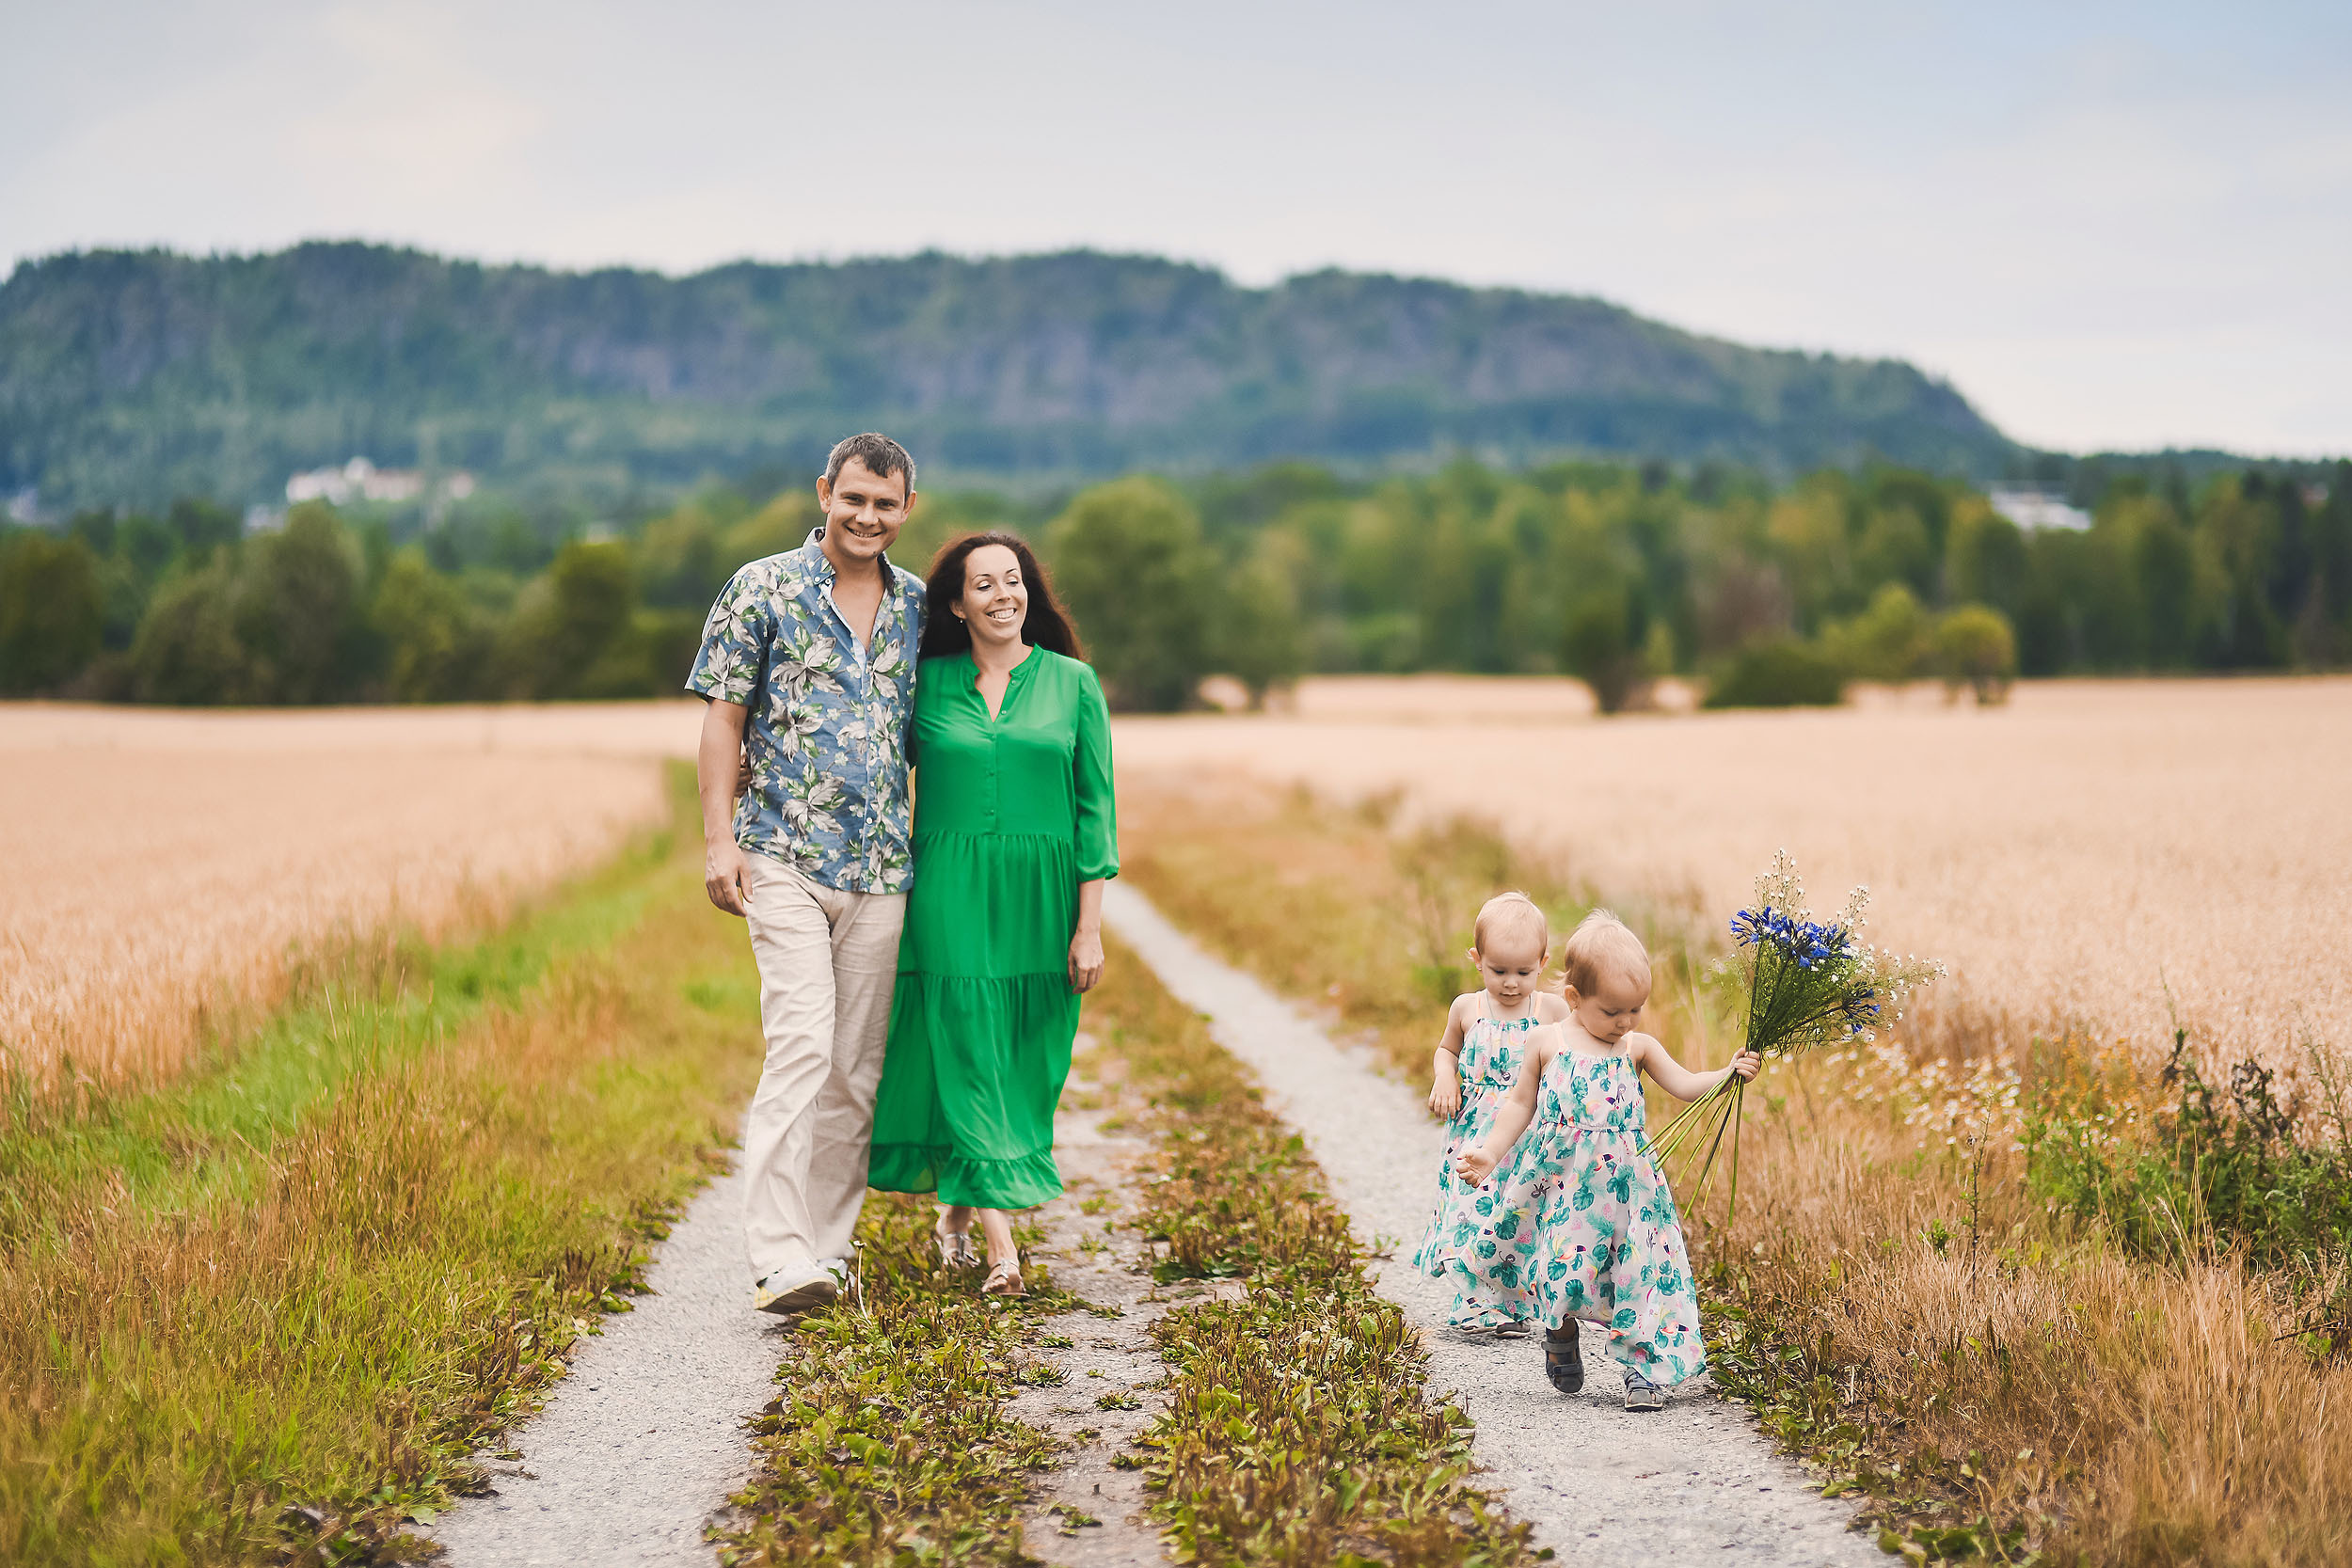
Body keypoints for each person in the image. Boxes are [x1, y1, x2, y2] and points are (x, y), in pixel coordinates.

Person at [687, 432, 927, 1317]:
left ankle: (827, 1250)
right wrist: (720, 843)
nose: (867, 517)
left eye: (886, 504)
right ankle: (779, 1257)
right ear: (826, 492)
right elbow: (723, 720)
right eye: (854, 498)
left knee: (855, 1072)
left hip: (883, 869)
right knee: (801, 1047)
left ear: (908, 511)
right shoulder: (763, 587)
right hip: (782, 856)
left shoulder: (916, 609)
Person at [866, 531, 1117, 1297]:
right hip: (948, 888)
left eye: (1014, 580)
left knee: (1022, 1059)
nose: (1003, 594)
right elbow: (862, 759)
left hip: (1041, 900)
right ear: (955, 602)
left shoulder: (1074, 683)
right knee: (966, 1042)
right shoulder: (925, 681)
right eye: (984, 584)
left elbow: (1096, 813)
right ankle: (1003, 1250)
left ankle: (958, 1209)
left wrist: (1089, 926)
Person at [1444, 910, 1760, 1410]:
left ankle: (1643, 1371)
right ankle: (1562, 1330)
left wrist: (1727, 1073)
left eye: (1636, 1009)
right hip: (1563, 1187)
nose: (1626, 1021)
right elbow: (1520, 1106)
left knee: (1638, 1274)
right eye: (1613, 1011)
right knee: (1562, 1272)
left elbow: (1684, 1086)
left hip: (1629, 1192)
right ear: (1574, 999)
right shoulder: (1546, 1043)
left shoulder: (1637, 1047)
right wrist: (1488, 1152)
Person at [1412, 892, 1571, 1338]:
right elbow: (1447, 1050)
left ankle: (1518, 1303)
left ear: (1542, 962)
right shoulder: (1467, 1008)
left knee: (1516, 1214)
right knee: (1472, 1209)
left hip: (1528, 1134)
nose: (1510, 983)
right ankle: (1477, 1305)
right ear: (1477, 959)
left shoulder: (1551, 1011)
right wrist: (1445, 1077)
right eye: (1498, 970)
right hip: (1475, 1134)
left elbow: (1572, 1060)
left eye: (1524, 972)